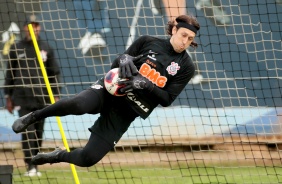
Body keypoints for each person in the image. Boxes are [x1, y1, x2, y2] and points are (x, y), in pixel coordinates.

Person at [11, 14, 200, 168]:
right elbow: (117, 63)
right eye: (183, 35)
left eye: (190, 39)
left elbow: (167, 99)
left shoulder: (186, 67)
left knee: (88, 159)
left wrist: (146, 84)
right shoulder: (147, 41)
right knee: (77, 104)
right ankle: (33, 116)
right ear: (174, 30)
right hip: (109, 91)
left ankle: (57, 156)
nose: (185, 41)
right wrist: (124, 59)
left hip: (127, 111)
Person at [4, 15, 61, 176]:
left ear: (39, 27)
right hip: (22, 98)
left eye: (36, 25)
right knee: (27, 132)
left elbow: (54, 73)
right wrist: (8, 96)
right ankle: (30, 165)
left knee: (38, 132)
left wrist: (55, 95)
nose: (34, 28)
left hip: (42, 98)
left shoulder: (46, 48)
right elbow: (10, 74)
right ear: (25, 28)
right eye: (30, 25)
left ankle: (36, 163)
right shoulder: (16, 48)